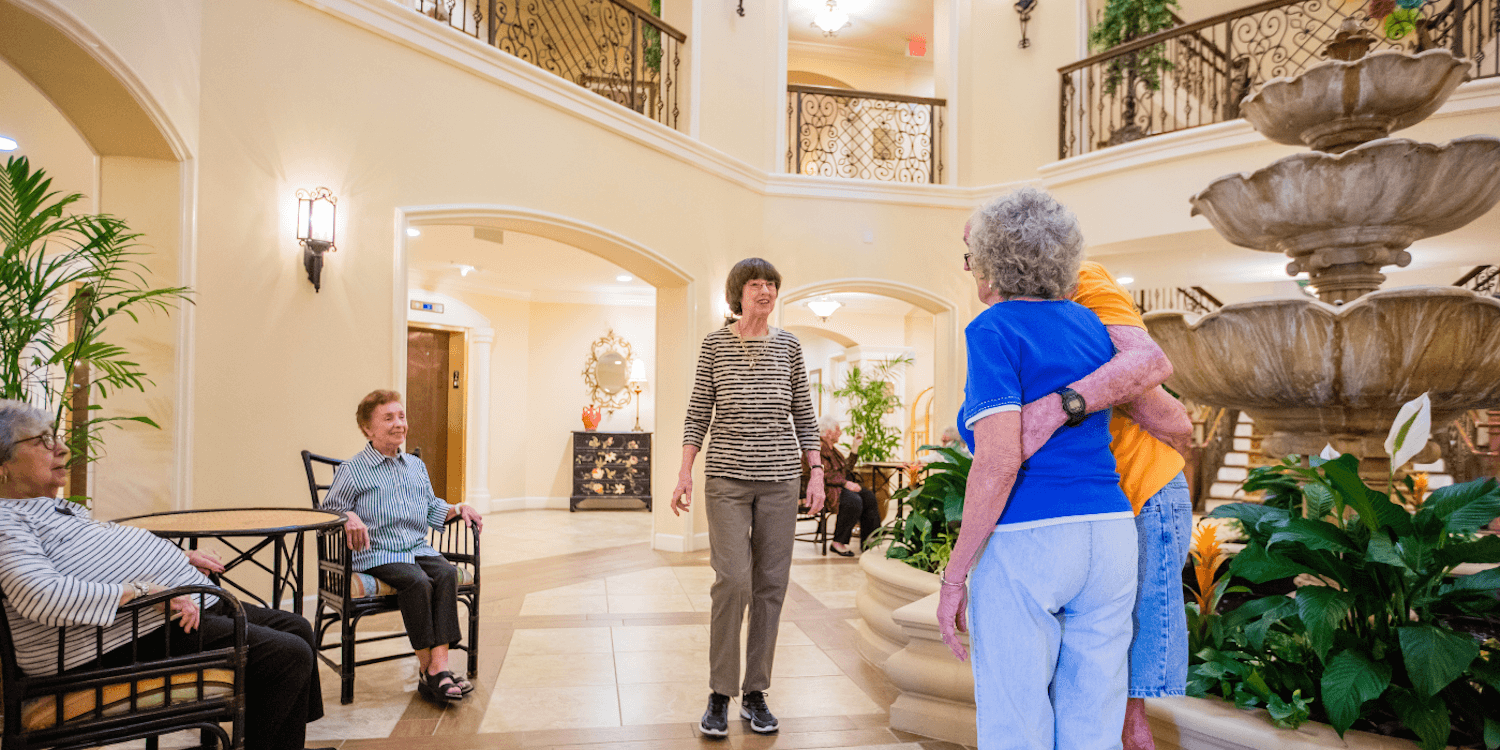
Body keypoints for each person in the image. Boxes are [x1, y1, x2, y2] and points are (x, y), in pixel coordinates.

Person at [0, 399, 325, 750]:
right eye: (43, 441)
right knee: (287, 654)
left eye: (56, 437)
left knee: (297, 627)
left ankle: (278, 737)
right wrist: (142, 593)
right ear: (2, 464)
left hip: (161, 614)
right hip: (116, 638)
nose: (62, 448)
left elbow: (100, 555)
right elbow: (39, 595)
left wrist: (178, 557)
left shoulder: (44, 508)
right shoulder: (6, 520)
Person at [936, 188, 1138, 749]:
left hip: (1032, 536)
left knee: (1014, 716)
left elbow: (999, 461)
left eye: (971, 254)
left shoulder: (994, 328)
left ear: (995, 261)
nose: (970, 266)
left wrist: (956, 575)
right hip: (1111, 532)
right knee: (1094, 714)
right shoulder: (1093, 326)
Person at [671, 257, 823, 738]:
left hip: (781, 480)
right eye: (756, 284)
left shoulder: (790, 347)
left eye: (771, 285)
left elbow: (804, 412)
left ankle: (755, 692)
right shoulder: (715, 344)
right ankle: (720, 691)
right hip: (727, 483)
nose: (765, 292)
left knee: (770, 588)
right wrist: (684, 472)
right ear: (737, 293)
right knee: (732, 582)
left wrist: (816, 472)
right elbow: (699, 410)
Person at [321, 389, 484, 705]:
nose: (399, 424)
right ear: (368, 428)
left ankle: (438, 668)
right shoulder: (353, 469)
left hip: (417, 547)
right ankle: (431, 671)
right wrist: (350, 515)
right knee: (416, 581)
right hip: (378, 552)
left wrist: (459, 508)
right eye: (388, 418)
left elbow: (431, 507)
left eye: (401, 416)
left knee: (447, 573)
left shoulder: (415, 466)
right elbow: (329, 508)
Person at [817, 417, 881, 556]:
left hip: (838, 487)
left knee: (868, 496)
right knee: (853, 500)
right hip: (825, 490)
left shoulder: (833, 450)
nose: (840, 433)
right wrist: (846, 483)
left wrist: (855, 447)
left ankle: (869, 540)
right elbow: (823, 474)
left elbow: (846, 469)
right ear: (828, 432)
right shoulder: (818, 448)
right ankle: (838, 542)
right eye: (837, 429)